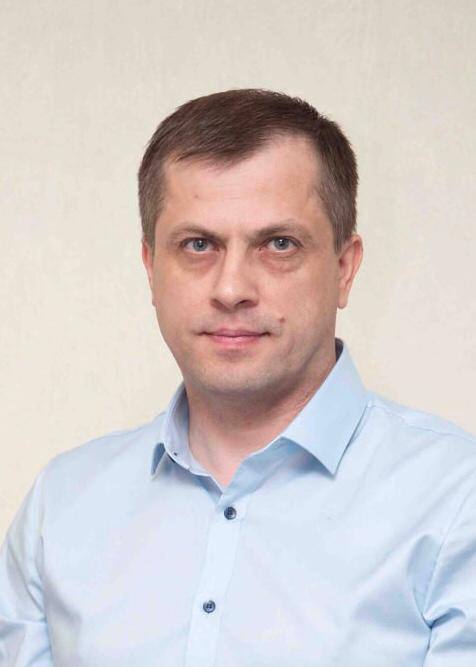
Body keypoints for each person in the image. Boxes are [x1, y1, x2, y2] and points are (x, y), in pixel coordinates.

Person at [1, 89, 475, 667]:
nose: (231, 289)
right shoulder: (60, 507)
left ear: (344, 269)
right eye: (198, 245)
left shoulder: (457, 502)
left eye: (278, 244)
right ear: (151, 268)